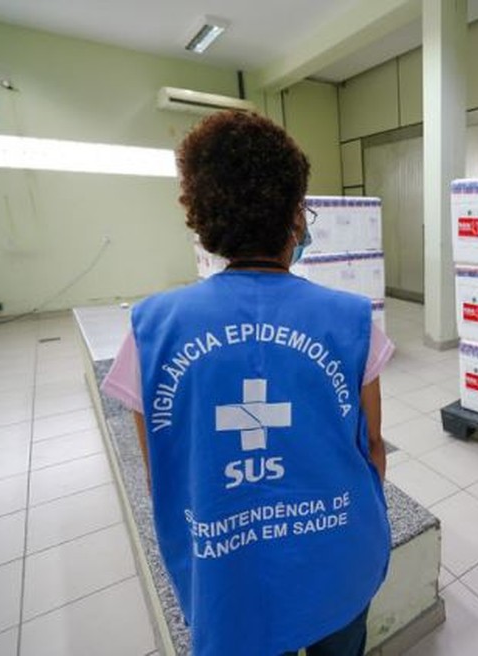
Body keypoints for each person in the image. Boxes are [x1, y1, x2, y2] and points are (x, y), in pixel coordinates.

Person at [100, 111, 393, 655]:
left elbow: (162, 473)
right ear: (294, 218)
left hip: (228, 581)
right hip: (338, 567)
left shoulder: (151, 330)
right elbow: (373, 448)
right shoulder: (353, 321)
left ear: (204, 219)